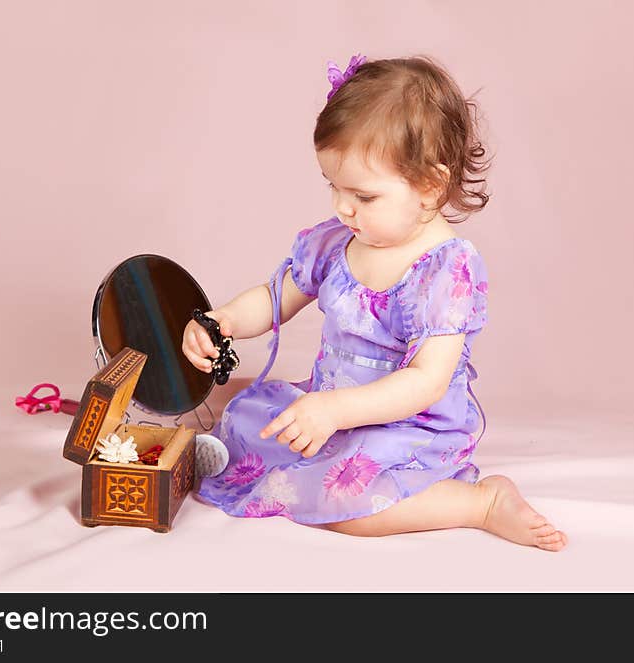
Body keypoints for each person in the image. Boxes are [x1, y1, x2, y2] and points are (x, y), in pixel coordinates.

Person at [183, 53, 567, 551]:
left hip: (405, 422)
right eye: (334, 188)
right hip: (331, 406)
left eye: (363, 197)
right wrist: (225, 320)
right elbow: (275, 298)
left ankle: (481, 503)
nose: (342, 208)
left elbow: (426, 382)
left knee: (344, 504)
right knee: (246, 423)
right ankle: (306, 443)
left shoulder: (444, 269)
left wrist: (335, 412)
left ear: (429, 186)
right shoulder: (336, 242)